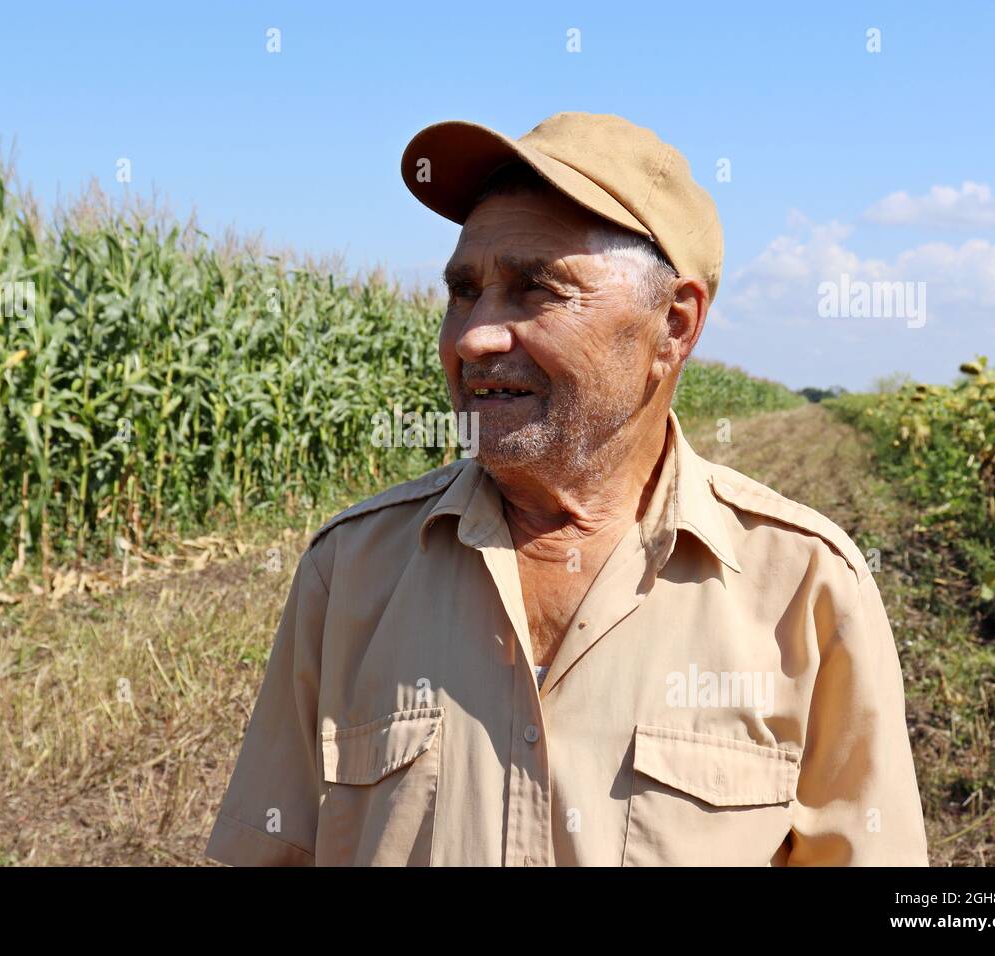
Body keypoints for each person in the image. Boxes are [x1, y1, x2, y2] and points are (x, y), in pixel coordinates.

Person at [205, 112, 929, 866]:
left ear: (674, 325)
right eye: (464, 291)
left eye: (534, 289)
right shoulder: (349, 570)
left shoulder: (805, 589)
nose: (474, 336)